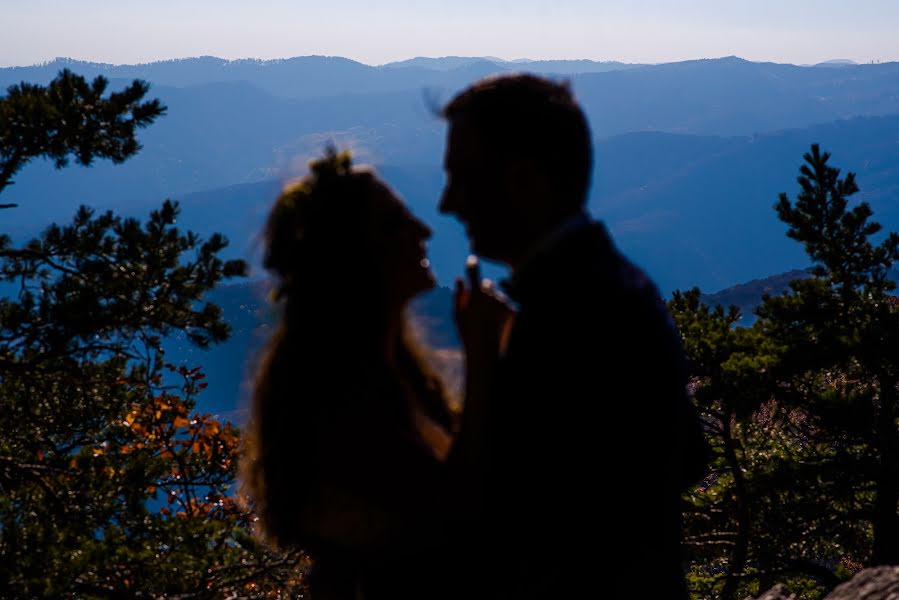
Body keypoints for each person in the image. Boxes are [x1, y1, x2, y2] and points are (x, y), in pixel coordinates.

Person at [439, 74, 709, 598]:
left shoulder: (570, 315)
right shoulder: (610, 286)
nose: (448, 203)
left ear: (524, 180)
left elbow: (508, 518)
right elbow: (688, 455)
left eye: (464, 178)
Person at [240, 148, 460, 600]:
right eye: (395, 225)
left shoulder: (385, 377)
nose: (424, 231)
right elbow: (459, 513)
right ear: (352, 259)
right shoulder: (343, 406)